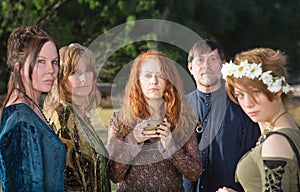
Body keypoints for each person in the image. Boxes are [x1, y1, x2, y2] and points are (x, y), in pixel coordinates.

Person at [107, 50, 203, 191]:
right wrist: (132, 139)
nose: (154, 81)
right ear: (137, 80)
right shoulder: (120, 120)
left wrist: (171, 147)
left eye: (160, 75)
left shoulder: (183, 120)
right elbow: (114, 175)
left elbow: (195, 173)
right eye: (147, 75)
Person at [216, 48, 300, 192]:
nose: (248, 103)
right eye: (240, 94)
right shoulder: (288, 129)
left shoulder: (276, 142)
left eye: (256, 91)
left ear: (278, 90)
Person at [183, 39, 260, 192]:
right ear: (191, 67)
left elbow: (256, 158)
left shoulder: (243, 106)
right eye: (200, 60)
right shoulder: (178, 108)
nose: (206, 66)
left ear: (223, 66)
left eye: (212, 59)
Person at [0, 26, 66, 191]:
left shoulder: (31, 108)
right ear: (18, 67)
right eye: (41, 61)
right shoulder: (21, 122)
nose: (51, 70)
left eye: (54, 62)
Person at [43, 43, 111, 191]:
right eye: (74, 72)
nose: (83, 78)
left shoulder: (83, 118)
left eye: (87, 70)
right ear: (61, 78)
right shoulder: (64, 117)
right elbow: (67, 179)